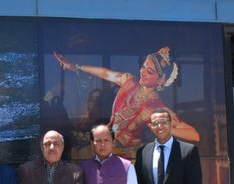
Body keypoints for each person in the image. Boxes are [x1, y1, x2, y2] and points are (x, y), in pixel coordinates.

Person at [53, 47, 199, 150]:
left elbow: (194, 135)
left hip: (125, 154)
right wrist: (76, 66)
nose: (143, 72)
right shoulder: (129, 81)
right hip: (105, 140)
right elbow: (105, 73)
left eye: (149, 72)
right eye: (143, 67)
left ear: (161, 80)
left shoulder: (156, 108)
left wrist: (164, 129)